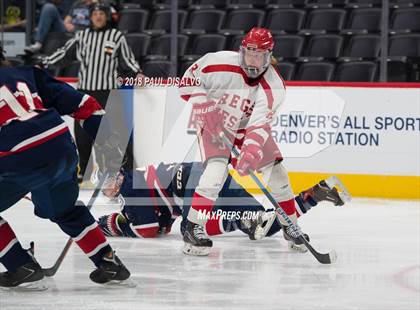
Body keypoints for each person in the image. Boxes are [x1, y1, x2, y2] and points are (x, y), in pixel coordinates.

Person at [0, 46, 130, 289]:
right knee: (65, 210)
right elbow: (85, 104)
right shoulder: (27, 73)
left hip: (17, 157)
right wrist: (108, 143)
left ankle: (19, 264)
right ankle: (108, 261)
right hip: (60, 146)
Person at [179, 27, 310, 256]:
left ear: (268, 56)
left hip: (246, 127)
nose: (252, 59)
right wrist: (204, 105)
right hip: (215, 122)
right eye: (249, 53)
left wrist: (249, 153)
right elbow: (187, 81)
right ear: (242, 50)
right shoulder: (217, 62)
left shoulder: (274, 86)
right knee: (215, 173)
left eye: (258, 55)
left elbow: (258, 126)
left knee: (277, 173)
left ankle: (290, 225)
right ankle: (194, 226)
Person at [97, 162, 346, 243]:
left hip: (190, 184)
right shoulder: (138, 183)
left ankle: (239, 220)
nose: (109, 186)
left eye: (110, 179)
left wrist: (109, 224)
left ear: (120, 174)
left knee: (191, 229)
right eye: (104, 185)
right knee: (263, 226)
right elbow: (161, 225)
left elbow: (147, 230)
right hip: (210, 174)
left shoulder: (131, 184)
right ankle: (312, 196)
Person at [42, 1, 142, 183]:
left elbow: (128, 60)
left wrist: (138, 72)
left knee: (116, 132)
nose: (98, 16)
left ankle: (127, 171)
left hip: (108, 92)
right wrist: (43, 64)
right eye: (95, 13)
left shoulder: (116, 36)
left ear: (106, 16)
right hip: (85, 92)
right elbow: (64, 54)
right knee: (82, 134)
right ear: (90, 17)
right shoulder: (82, 36)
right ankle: (84, 171)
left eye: (101, 13)